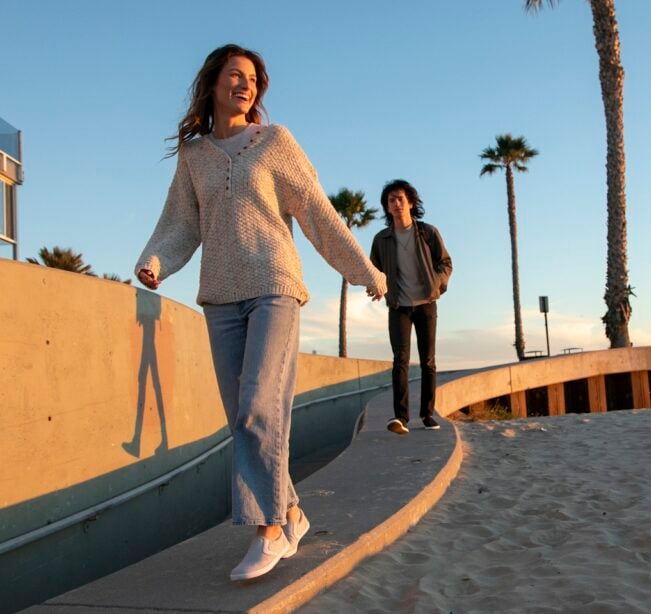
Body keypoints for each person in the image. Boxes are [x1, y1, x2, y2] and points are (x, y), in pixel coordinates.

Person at [135, 44, 386, 581]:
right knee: (243, 419)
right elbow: (181, 223)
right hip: (219, 297)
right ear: (213, 84)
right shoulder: (195, 156)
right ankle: (292, 512)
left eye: (252, 78)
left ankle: (268, 529)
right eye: (235, 75)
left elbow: (317, 211)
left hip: (274, 285)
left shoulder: (275, 142)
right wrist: (156, 260)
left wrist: (363, 270)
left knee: (258, 406)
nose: (245, 85)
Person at [370, 180, 452, 435]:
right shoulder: (382, 239)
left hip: (426, 304)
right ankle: (401, 418)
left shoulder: (428, 233)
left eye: (399, 199)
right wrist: (375, 286)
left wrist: (435, 285)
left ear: (410, 203)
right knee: (400, 361)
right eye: (390, 200)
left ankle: (427, 414)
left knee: (428, 361)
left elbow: (446, 263)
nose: (395, 204)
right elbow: (374, 270)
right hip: (399, 307)